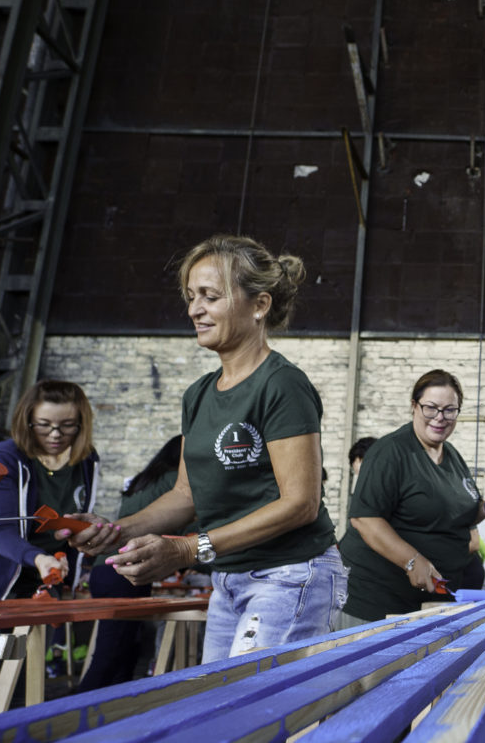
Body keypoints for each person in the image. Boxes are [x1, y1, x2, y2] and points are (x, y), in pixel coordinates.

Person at [69, 234, 346, 663]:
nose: (194, 309)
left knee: (245, 706)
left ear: (259, 306)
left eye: (210, 296)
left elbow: (300, 504)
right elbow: (185, 495)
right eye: (191, 296)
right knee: (220, 703)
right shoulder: (197, 395)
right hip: (230, 577)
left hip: (290, 574)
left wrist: (185, 549)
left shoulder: (282, 384)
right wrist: (118, 531)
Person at [0, 379, 101, 710]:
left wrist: (80, 535)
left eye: (67, 426)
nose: (55, 435)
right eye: (44, 425)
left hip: (41, 582)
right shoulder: (2, 460)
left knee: (24, 676)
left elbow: (66, 524)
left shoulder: (85, 461)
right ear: (28, 421)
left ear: (81, 424)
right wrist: (39, 557)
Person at [338, 369, 485, 623]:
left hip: (428, 604)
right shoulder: (391, 452)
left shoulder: (452, 456)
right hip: (377, 604)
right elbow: (365, 519)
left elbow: (463, 513)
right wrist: (411, 560)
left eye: (449, 410)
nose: (440, 418)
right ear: (414, 406)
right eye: (431, 408)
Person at [78, 436, 195, 691]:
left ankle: (114, 706)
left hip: (104, 567)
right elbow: (192, 526)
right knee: (112, 651)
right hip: (125, 570)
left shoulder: (142, 481)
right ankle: (74, 710)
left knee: (124, 647)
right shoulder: (174, 483)